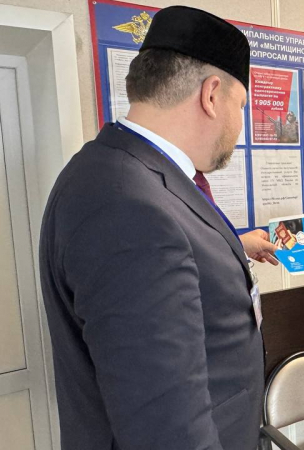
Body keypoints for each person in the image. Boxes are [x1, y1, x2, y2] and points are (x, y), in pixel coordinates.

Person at [39, 6, 276, 449]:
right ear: (211, 95)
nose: (241, 123)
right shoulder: (125, 205)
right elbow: (167, 429)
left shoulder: (123, 174)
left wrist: (233, 245)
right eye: (242, 105)